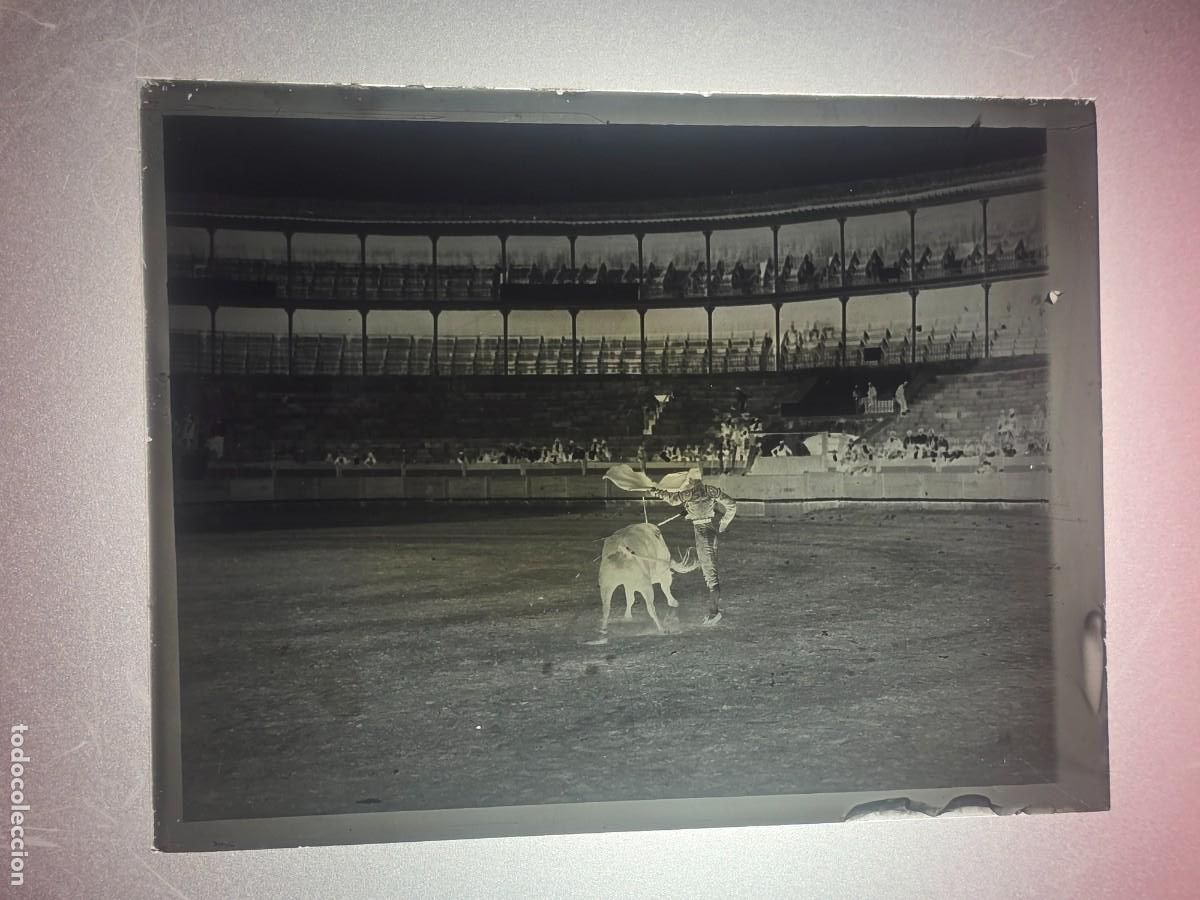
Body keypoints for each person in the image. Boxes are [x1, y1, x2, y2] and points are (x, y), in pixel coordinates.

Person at [647, 468, 737, 626]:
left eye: (688, 480)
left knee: (711, 577)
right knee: (710, 573)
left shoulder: (689, 493)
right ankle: (713, 611)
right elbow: (731, 505)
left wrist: (656, 492)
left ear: (692, 481)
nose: (687, 482)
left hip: (702, 534)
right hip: (711, 531)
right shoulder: (711, 490)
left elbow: (672, 499)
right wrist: (723, 524)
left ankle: (714, 613)